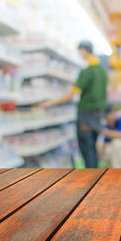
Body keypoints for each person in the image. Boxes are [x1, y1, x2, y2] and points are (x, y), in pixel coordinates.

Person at [38, 40, 107, 168]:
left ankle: (91, 180)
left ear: (84, 51)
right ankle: (96, 178)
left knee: (87, 149)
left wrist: (51, 103)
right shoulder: (102, 72)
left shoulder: (87, 72)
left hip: (85, 116)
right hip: (98, 115)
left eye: (80, 51)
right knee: (93, 147)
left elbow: (71, 94)